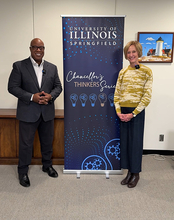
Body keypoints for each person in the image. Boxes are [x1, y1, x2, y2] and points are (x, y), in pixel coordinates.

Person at [8, 38, 62, 187]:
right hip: (28, 112)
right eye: (36, 48)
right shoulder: (19, 66)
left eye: (41, 48)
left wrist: (50, 96)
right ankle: (23, 171)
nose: (39, 50)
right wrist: (32, 97)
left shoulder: (52, 67)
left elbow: (58, 86)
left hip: (47, 112)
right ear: (30, 49)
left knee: (47, 142)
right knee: (26, 145)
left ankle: (47, 165)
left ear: (44, 50)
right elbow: (12, 87)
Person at [114, 41, 153, 188]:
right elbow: (117, 93)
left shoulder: (146, 71)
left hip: (137, 112)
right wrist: (119, 111)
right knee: (125, 143)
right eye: (128, 52)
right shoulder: (123, 72)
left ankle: (136, 173)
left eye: (133, 52)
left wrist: (133, 113)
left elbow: (147, 96)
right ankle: (129, 172)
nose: (131, 55)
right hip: (123, 112)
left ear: (138, 53)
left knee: (135, 143)